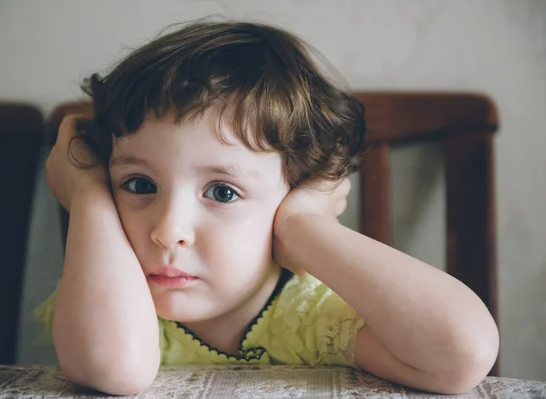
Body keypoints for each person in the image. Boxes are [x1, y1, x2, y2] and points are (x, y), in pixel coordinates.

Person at [34, 20, 499, 396]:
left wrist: (301, 227)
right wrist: (87, 192)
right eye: (138, 184)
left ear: (296, 191)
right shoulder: (108, 292)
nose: (167, 231)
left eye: (222, 192)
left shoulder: (309, 317)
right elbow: (113, 370)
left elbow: (462, 355)